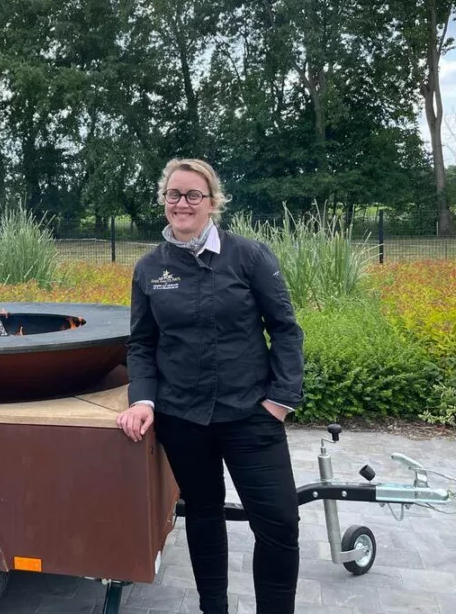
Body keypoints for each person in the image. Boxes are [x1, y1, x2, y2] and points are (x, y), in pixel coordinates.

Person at [116, 158, 304, 614]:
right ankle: (213, 608)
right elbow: (142, 343)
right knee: (203, 513)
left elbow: (285, 329)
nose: (183, 203)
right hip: (183, 419)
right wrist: (142, 399)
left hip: (251, 417)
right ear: (164, 201)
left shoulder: (249, 256)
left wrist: (279, 401)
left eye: (193, 195)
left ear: (213, 202)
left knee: (279, 524)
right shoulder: (149, 269)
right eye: (174, 195)